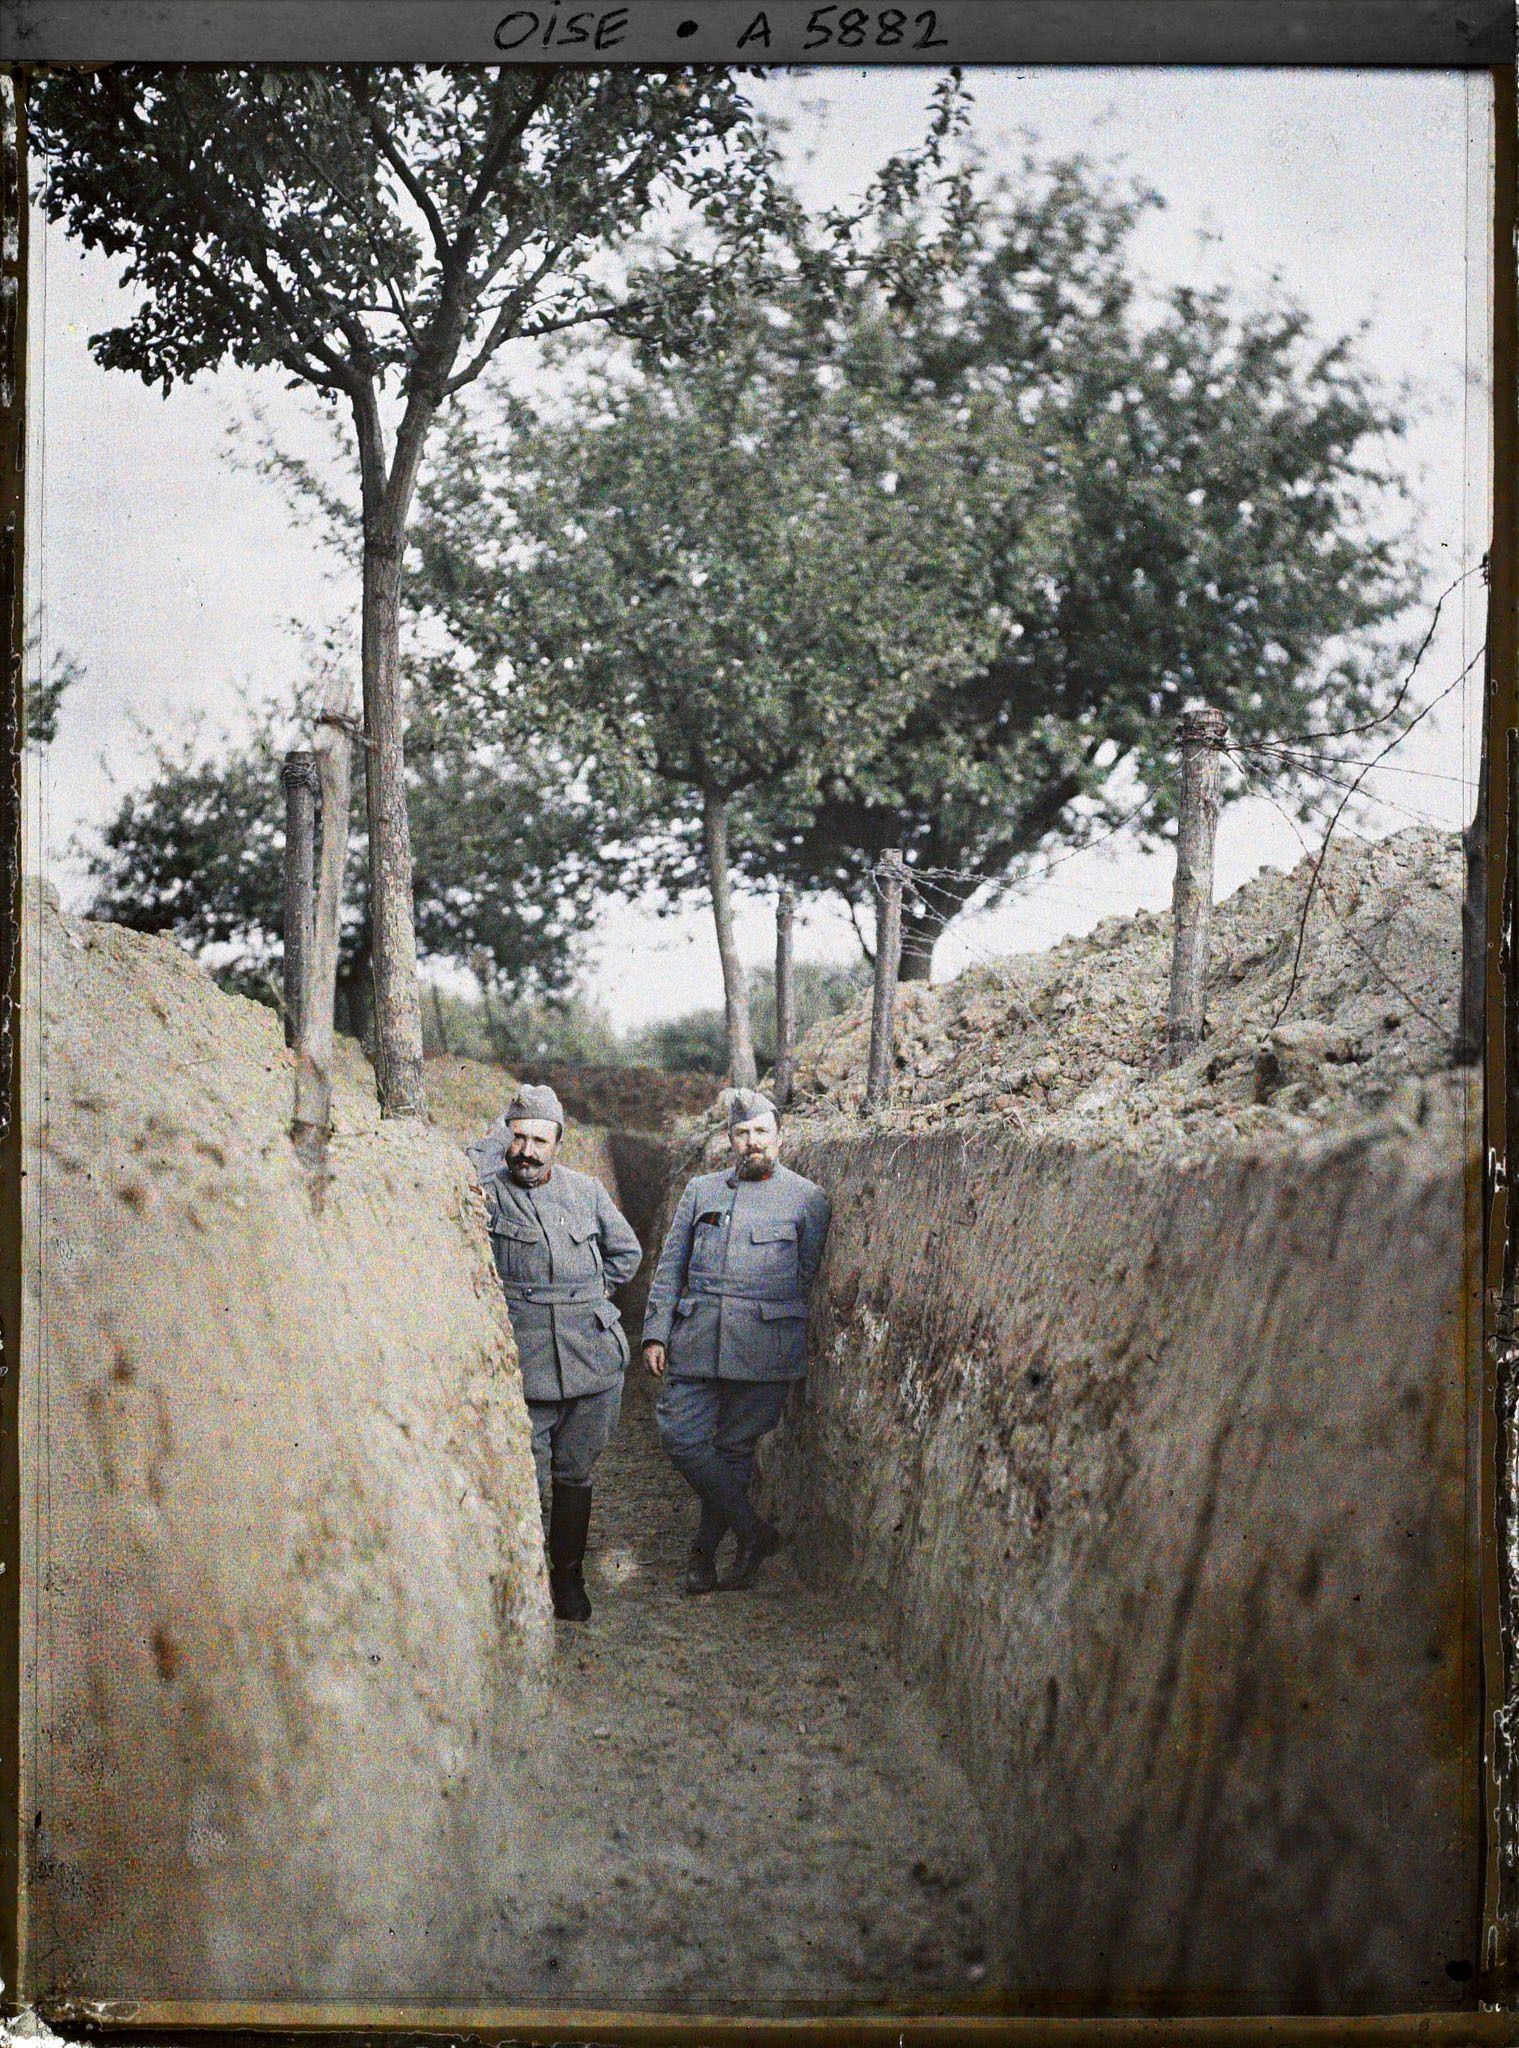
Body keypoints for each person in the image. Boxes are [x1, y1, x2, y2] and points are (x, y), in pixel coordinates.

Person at [642, 1088, 831, 1596]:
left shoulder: (808, 1199)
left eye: (762, 1133)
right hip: (698, 1337)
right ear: (729, 1139)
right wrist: (657, 1331)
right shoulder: (701, 1191)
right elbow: (670, 1266)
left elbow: (805, 1273)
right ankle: (753, 1531)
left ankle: (703, 1557)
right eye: (743, 1133)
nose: (753, 1143)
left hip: (764, 1346)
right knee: (681, 1435)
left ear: (780, 1136)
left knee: (734, 1451)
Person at [479, 1083, 641, 1622]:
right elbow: (463, 1165)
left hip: (592, 1356)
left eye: (539, 1140)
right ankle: (529, 1573)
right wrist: (493, 1139)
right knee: (530, 1469)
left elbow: (627, 1253)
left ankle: (569, 1576)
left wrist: (586, 1298)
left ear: (559, 1142)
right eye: (517, 1137)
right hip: (525, 1360)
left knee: (576, 1471)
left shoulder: (587, 1191)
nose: (527, 1151)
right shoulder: (488, 1188)